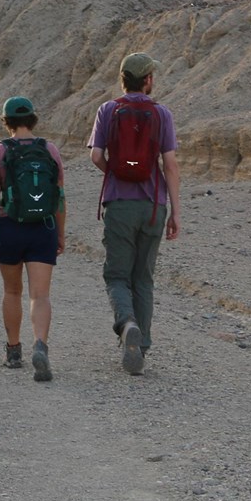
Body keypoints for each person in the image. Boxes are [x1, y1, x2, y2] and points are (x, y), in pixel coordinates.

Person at [87, 52, 181, 376]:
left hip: (119, 205)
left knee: (116, 275)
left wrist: (115, 171)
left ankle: (126, 323)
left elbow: (96, 155)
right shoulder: (163, 114)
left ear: (122, 79)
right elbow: (170, 165)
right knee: (144, 277)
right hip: (154, 206)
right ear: (149, 80)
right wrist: (175, 212)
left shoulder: (108, 110)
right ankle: (141, 348)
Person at [0, 96, 66, 380]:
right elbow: (60, 198)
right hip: (44, 227)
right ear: (33, 118)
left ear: (7, 121)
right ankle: (40, 344)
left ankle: (14, 351)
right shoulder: (49, 149)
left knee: (12, 291)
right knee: (40, 295)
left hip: (9, 228)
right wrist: (60, 234)